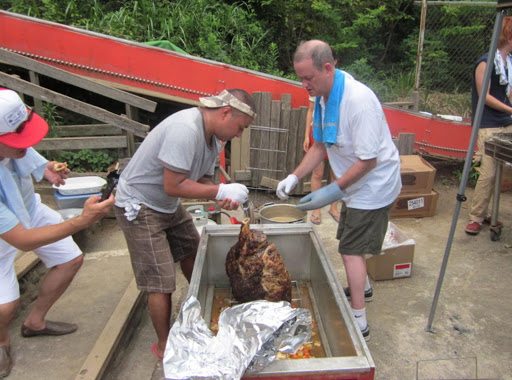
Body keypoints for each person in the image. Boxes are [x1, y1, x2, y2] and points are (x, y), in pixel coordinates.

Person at [113, 89, 256, 360]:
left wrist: (220, 191)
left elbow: (200, 181)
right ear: (225, 112)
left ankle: (202, 307)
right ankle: (165, 345)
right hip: (139, 204)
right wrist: (219, 192)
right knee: (161, 280)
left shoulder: (215, 138)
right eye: (240, 127)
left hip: (166, 202)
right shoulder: (185, 129)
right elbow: (173, 185)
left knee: (193, 250)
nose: (239, 134)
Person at [276, 40, 401, 341]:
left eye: (309, 77)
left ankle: (359, 321)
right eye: (300, 78)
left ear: (328, 67)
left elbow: (369, 161)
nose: (304, 84)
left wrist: (333, 190)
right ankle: (364, 288)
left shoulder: (358, 101)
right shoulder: (323, 96)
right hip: (353, 184)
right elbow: (320, 145)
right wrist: (294, 177)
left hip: (373, 184)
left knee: (350, 250)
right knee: (349, 237)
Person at [0, 89, 115, 378]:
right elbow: (21, 240)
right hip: (7, 230)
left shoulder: (13, 142)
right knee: (5, 306)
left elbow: (25, 151)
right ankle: (1, 341)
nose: (25, 144)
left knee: (69, 259)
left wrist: (47, 168)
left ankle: (35, 322)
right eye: (16, 141)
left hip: (27, 207)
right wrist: (81, 221)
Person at [465, 16, 512, 235]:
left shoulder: (508, 63)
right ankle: (476, 216)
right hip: (488, 123)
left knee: (502, 172)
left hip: (506, 121)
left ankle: (489, 211)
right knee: (489, 172)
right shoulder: (485, 62)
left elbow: (507, 94)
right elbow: (485, 96)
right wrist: (510, 109)